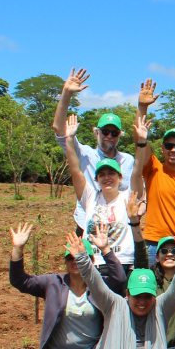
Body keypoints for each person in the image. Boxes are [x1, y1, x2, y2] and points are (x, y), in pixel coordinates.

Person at [9, 223, 127, 349]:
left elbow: (119, 279)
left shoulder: (98, 286)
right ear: (65, 261)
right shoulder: (53, 283)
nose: (75, 261)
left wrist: (106, 249)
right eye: (70, 257)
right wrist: (18, 248)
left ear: (90, 261)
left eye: (80, 256)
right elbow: (20, 281)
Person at [52, 68, 135, 235]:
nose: (109, 136)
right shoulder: (83, 154)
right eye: (105, 132)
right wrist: (67, 93)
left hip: (118, 230)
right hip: (87, 227)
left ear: (120, 135)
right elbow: (59, 129)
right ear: (96, 132)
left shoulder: (128, 161)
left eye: (114, 133)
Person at [61, 113, 142, 273]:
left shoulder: (127, 198)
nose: (107, 178)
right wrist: (69, 139)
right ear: (96, 178)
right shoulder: (90, 198)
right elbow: (75, 170)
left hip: (122, 264)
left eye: (111, 173)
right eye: (102, 174)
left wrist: (141, 142)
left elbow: (138, 171)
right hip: (92, 263)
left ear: (120, 177)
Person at [135, 79, 175, 267]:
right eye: (169, 146)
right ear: (162, 148)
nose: (173, 150)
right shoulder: (153, 167)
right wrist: (142, 107)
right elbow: (138, 137)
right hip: (154, 244)